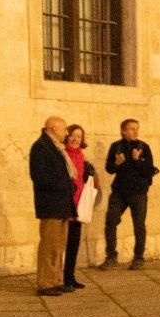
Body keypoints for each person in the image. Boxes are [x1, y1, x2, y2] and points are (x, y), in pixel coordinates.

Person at [102, 118, 157, 270]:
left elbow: (149, 170)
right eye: (131, 129)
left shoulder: (143, 147)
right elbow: (109, 169)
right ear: (123, 131)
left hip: (138, 193)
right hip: (119, 192)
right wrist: (117, 164)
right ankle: (111, 256)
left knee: (139, 225)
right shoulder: (116, 146)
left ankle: (138, 258)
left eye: (137, 128)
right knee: (111, 221)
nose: (135, 131)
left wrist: (137, 160)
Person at [29, 115, 75, 295]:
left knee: (58, 245)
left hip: (61, 203)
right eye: (65, 129)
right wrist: (67, 184)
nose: (67, 133)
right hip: (51, 204)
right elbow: (40, 177)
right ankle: (46, 283)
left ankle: (56, 279)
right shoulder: (41, 147)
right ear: (55, 129)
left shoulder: (56, 148)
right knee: (49, 245)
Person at [60, 124, 99, 291]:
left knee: (74, 244)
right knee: (61, 244)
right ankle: (58, 278)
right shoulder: (63, 154)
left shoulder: (81, 156)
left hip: (78, 206)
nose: (76, 139)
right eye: (73, 135)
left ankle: (70, 277)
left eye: (79, 136)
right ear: (67, 136)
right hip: (65, 205)